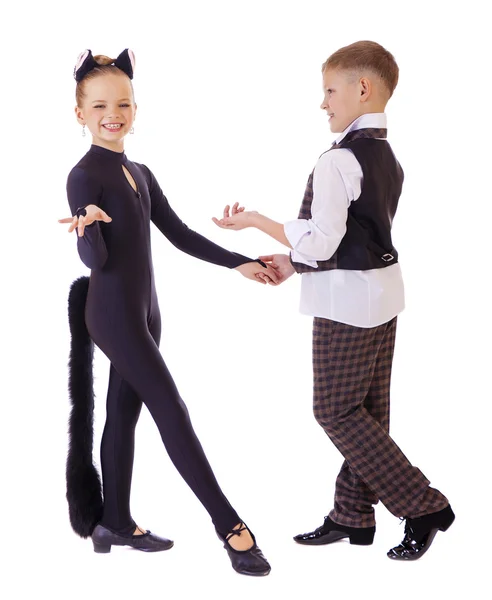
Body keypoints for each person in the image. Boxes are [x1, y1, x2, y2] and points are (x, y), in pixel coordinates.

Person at [213, 40, 454, 561]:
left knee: (335, 411)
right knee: (367, 411)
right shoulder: (386, 156)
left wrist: (256, 221)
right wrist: (293, 263)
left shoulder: (338, 159)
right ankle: (352, 515)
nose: (323, 103)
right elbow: (353, 236)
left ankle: (423, 504)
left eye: (329, 90)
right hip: (381, 296)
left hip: (345, 305)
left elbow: (323, 241)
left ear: (361, 88)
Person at [59, 48, 277, 576]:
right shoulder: (84, 176)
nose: (114, 113)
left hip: (146, 315)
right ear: (81, 114)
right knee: (172, 411)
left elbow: (177, 234)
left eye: (124, 104)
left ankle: (112, 521)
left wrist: (239, 262)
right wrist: (88, 225)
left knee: (123, 414)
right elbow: (96, 261)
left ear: (136, 109)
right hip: (113, 316)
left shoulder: (140, 171)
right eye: (101, 105)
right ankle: (230, 527)